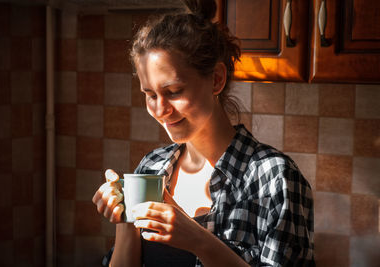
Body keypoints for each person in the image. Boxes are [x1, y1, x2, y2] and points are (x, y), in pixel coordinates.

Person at [92, 0, 315, 266]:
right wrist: (125, 222)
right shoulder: (152, 167)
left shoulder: (275, 178)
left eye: (174, 92)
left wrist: (199, 241)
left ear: (216, 79)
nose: (160, 110)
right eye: (150, 95)